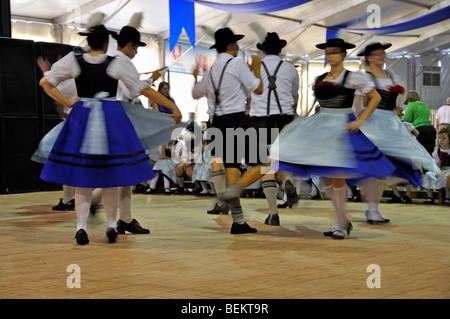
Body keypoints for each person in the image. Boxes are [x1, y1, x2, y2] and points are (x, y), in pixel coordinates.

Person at [38, 14, 182, 245]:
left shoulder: (74, 60)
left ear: (88, 41)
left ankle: (81, 227)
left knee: (82, 177)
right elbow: (141, 90)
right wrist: (171, 105)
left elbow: (45, 82)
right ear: (107, 42)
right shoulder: (116, 63)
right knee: (112, 175)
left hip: (83, 116)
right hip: (111, 117)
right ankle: (112, 225)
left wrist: (66, 102)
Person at [269, 38, 394, 239]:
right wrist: (302, 119)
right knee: (327, 176)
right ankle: (341, 220)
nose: (330, 56)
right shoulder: (320, 78)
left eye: (334, 52)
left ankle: (342, 223)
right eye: (328, 53)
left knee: (337, 175)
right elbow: (314, 105)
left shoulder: (352, 77)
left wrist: (360, 121)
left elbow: (376, 98)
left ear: (344, 54)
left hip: (341, 126)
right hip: (321, 125)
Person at [353, 42, 438, 223]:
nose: (382, 57)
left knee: (388, 166)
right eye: (378, 54)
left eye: (383, 54)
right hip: (372, 122)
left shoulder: (391, 75)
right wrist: (359, 121)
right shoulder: (365, 78)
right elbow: (359, 104)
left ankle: (372, 207)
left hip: (390, 122)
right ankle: (372, 207)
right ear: (368, 57)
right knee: (375, 165)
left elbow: (397, 102)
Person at [192, 27, 263, 234]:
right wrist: (256, 68)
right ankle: (232, 190)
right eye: (236, 43)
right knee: (267, 163)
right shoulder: (237, 63)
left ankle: (238, 222)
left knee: (232, 168)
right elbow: (257, 88)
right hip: (236, 120)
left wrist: (195, 77)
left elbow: (196, 93)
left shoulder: (212, 70)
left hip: (216, 124)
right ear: (231, 46)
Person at [402, 90, 437, 203]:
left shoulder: (411, 105)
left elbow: (406, 120)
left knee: (417, 161)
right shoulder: (425, 105)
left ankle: (416, 186)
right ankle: (430, 194)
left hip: (420, 131)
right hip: (431, 131)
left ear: (408, 99)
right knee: (428, 160)